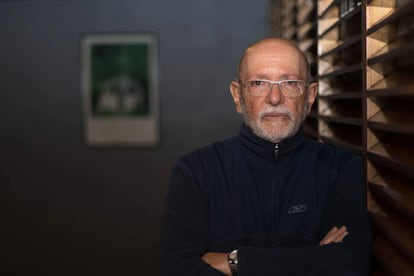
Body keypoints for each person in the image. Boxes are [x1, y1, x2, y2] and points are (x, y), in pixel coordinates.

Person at [160, 37, 371, 275]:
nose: (274, 98)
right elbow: (176, 269)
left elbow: (350, 265)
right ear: (237, 96)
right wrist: (314, 259)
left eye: (290, 83)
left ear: (310, 97)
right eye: (259, 83)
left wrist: (237, 262)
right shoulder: (196, 172)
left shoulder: (341, 169)